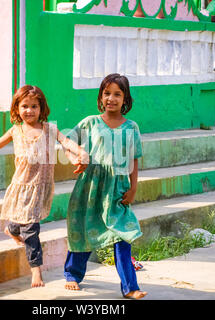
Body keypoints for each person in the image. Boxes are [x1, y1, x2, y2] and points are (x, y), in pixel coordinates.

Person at [0, 85, 88, 288]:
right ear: (16, 108)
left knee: (25, 225)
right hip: (22, 186)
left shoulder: (49, 129)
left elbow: (66, 142)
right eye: (24, 106)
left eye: (34, 106)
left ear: (41, 108)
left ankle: (11, 230)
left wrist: (79, 152)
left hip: (40, 187)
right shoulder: (15, 131)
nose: (29, 110)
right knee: (30, 229)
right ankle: (36, 271)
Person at [63, 73, 147, 299]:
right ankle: (72, 274)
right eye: (107, 93)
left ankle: (130, 287)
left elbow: (134, 159)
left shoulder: (131, 127)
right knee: (84, 230)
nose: (111, 98)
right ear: (101, 97)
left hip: (117, 190)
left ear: (125, 98)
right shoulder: (89, 123)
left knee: (123, 235)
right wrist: (76, 159)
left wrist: (133, 187)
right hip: (89, 188)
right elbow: (66, 143)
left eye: (117, 94)